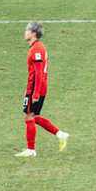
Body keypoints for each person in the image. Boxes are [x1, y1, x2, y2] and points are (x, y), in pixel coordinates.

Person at [17, 21, 67, 157]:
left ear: (33, 33)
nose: (25, 33)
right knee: (33, 116)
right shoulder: (37, 47)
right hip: (36, 87)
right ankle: (60, 135)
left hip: (36, 87)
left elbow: (38, 73)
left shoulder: (37, 49)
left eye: (27, 31)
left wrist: (35, 93)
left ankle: (31, 150)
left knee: (29, 116)